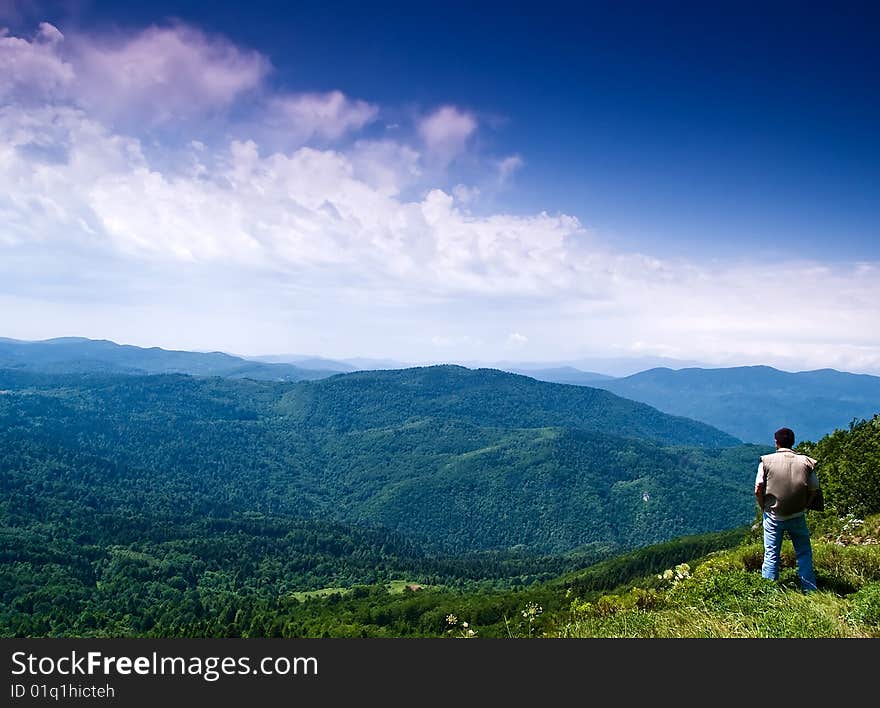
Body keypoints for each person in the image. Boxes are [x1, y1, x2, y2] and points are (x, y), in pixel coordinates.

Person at [754, 427, 820, 592]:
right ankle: (809, 589)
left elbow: (758, 487)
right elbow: (814, 488)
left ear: (776, 442)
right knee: (804, 552)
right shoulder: (806, 462)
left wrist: (764, 507)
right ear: (793, 442)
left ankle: (769, 591)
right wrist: (805, 505)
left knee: (771, 554)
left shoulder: (766, 461)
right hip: (797, 514)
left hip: (774, 515)